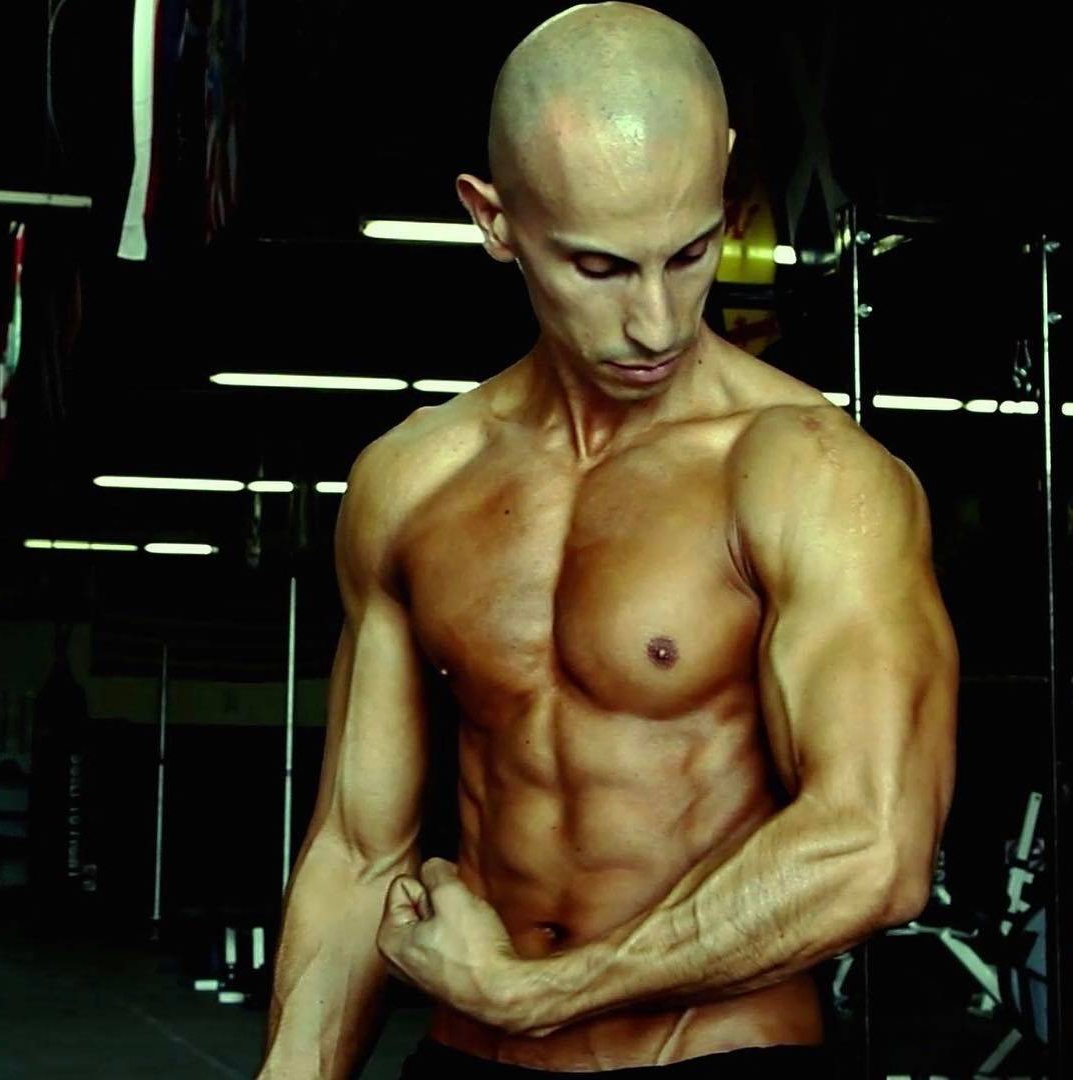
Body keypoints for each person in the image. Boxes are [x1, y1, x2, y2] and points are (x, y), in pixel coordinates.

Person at [258, 4, 959, 1077]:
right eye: (599, 268)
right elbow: (357, 853)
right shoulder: (413, 481)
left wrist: (540, 994)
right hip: (471, 1057)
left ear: (724, 173)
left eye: (690, 252)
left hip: (714, 1060)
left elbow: (874, 850)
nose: (657, 323)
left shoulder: (806, 473)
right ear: (493, 219)